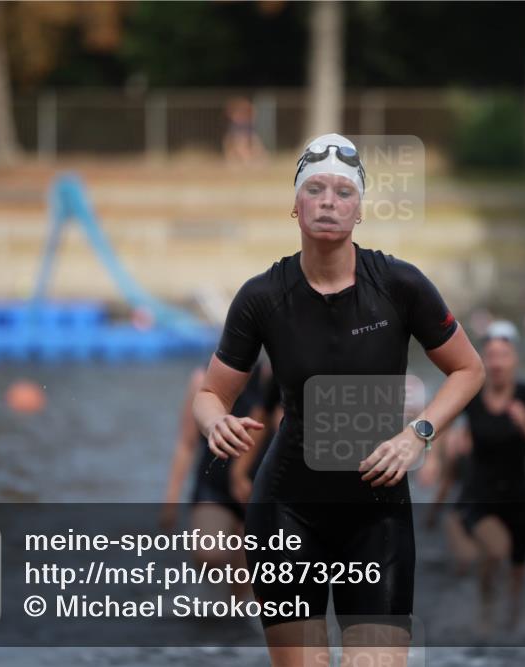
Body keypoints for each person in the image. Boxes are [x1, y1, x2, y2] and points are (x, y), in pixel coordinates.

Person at [192, 133, 485, 666]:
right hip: (287, 510)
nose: (329, 202)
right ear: (295, 204)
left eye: (343, 192)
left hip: (378, 514)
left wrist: (418, 435)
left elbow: (468, 369)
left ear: (360, 211)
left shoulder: (400, 285)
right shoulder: (262, 297)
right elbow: (212, 393)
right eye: (316, 189)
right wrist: (214, 423)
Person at [436, 320, 525, 633]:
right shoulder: (473, 394)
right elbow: (439, 422)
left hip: (518, 497)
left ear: (514, 359)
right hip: (479, 496)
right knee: (495, 550)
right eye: (490, 356)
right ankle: (485, 614)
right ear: (482, 360)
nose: (496, 363)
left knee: (517, 574)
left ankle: (510, 628)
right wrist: (438, 457)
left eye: (502, 356)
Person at [160, 363, 268, 600]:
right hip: (213, 486)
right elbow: (186, 445)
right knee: (209, 555)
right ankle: (212, 608)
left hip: (256, 490)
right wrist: (171, 498)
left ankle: (236, 622)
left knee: (246, 591)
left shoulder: (271, 378)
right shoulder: (202, 380)